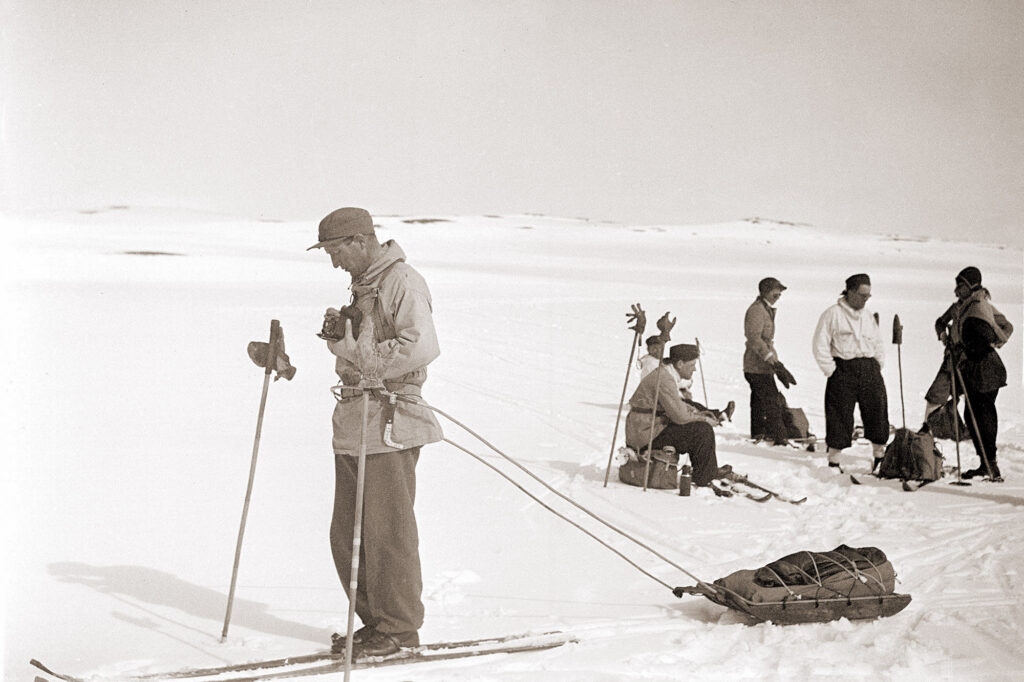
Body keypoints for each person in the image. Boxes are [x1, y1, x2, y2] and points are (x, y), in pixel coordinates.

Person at [308, 207, 443, 658]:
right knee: (348, 533)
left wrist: (354, 349)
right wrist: (342, 341)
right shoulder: (366, 285)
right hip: (354, 422)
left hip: (390, 422)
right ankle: (377, 624)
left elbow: (420, 345)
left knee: (387, 534)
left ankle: (400, 629)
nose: (333, 263)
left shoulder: (402, 282)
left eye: (335, 251)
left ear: (360, 241)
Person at [923, 266, 1012, 480]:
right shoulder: (964, 306)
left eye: (959, 286)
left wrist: (990, 342)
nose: (955, 291)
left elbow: (1001, 328)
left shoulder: (978, 307)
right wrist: (947, 337)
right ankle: (986, 464)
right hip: (971, 366)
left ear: (970, 286)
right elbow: (942, 322)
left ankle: (990, 465)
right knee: (973, 416)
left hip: (984, 368)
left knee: (982, 416)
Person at [625, 343, 731, 488]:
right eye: (692, 364)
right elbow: (680, 417)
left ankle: (707, 471)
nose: (694, 369)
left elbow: (676, 404)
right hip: (646, 435)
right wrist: (704, 418)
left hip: (647, 428)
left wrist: (696, 411)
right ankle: (704, 477)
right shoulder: (664, 378)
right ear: (680, 364)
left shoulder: (665, 374)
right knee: (702, 430)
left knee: (697, 426)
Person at [811, 273, 888, 469]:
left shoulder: (868, 316)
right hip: (843, 369)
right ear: (850, 292)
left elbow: (878, 342)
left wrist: (877, 365)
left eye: (868, 296)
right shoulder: (832, 314)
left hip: (869, 368)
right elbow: (820, 345)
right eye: (862, 295)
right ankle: (834, 460)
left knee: (876, 412)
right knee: (839, 414)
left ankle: (879, 456)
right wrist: (831, 371)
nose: (865, 299)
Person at [639, 335, 735, 424]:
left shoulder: (659, 362)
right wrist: (683, 386)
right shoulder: (650, 364)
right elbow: (662, 382)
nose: (658, 351)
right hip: (657, 399)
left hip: (666, 395)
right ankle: (714, 416)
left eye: (660, 347)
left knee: (692, 405)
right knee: (689, 406)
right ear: (649, 349)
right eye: (654, 348)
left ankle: (716, 415)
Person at [743, 277, 792, 445]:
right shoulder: (757, 310)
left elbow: (766, 342)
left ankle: (758, 433)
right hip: (756, 366)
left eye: (780, 292)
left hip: (761, 366)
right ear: (765, 291)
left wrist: (777, 364)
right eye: (776, 291)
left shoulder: (765, 309)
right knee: (771, 400)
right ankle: (780, 437)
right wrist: (771, 360)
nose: (779, 295)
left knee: (758, 399)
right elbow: (754, 339)